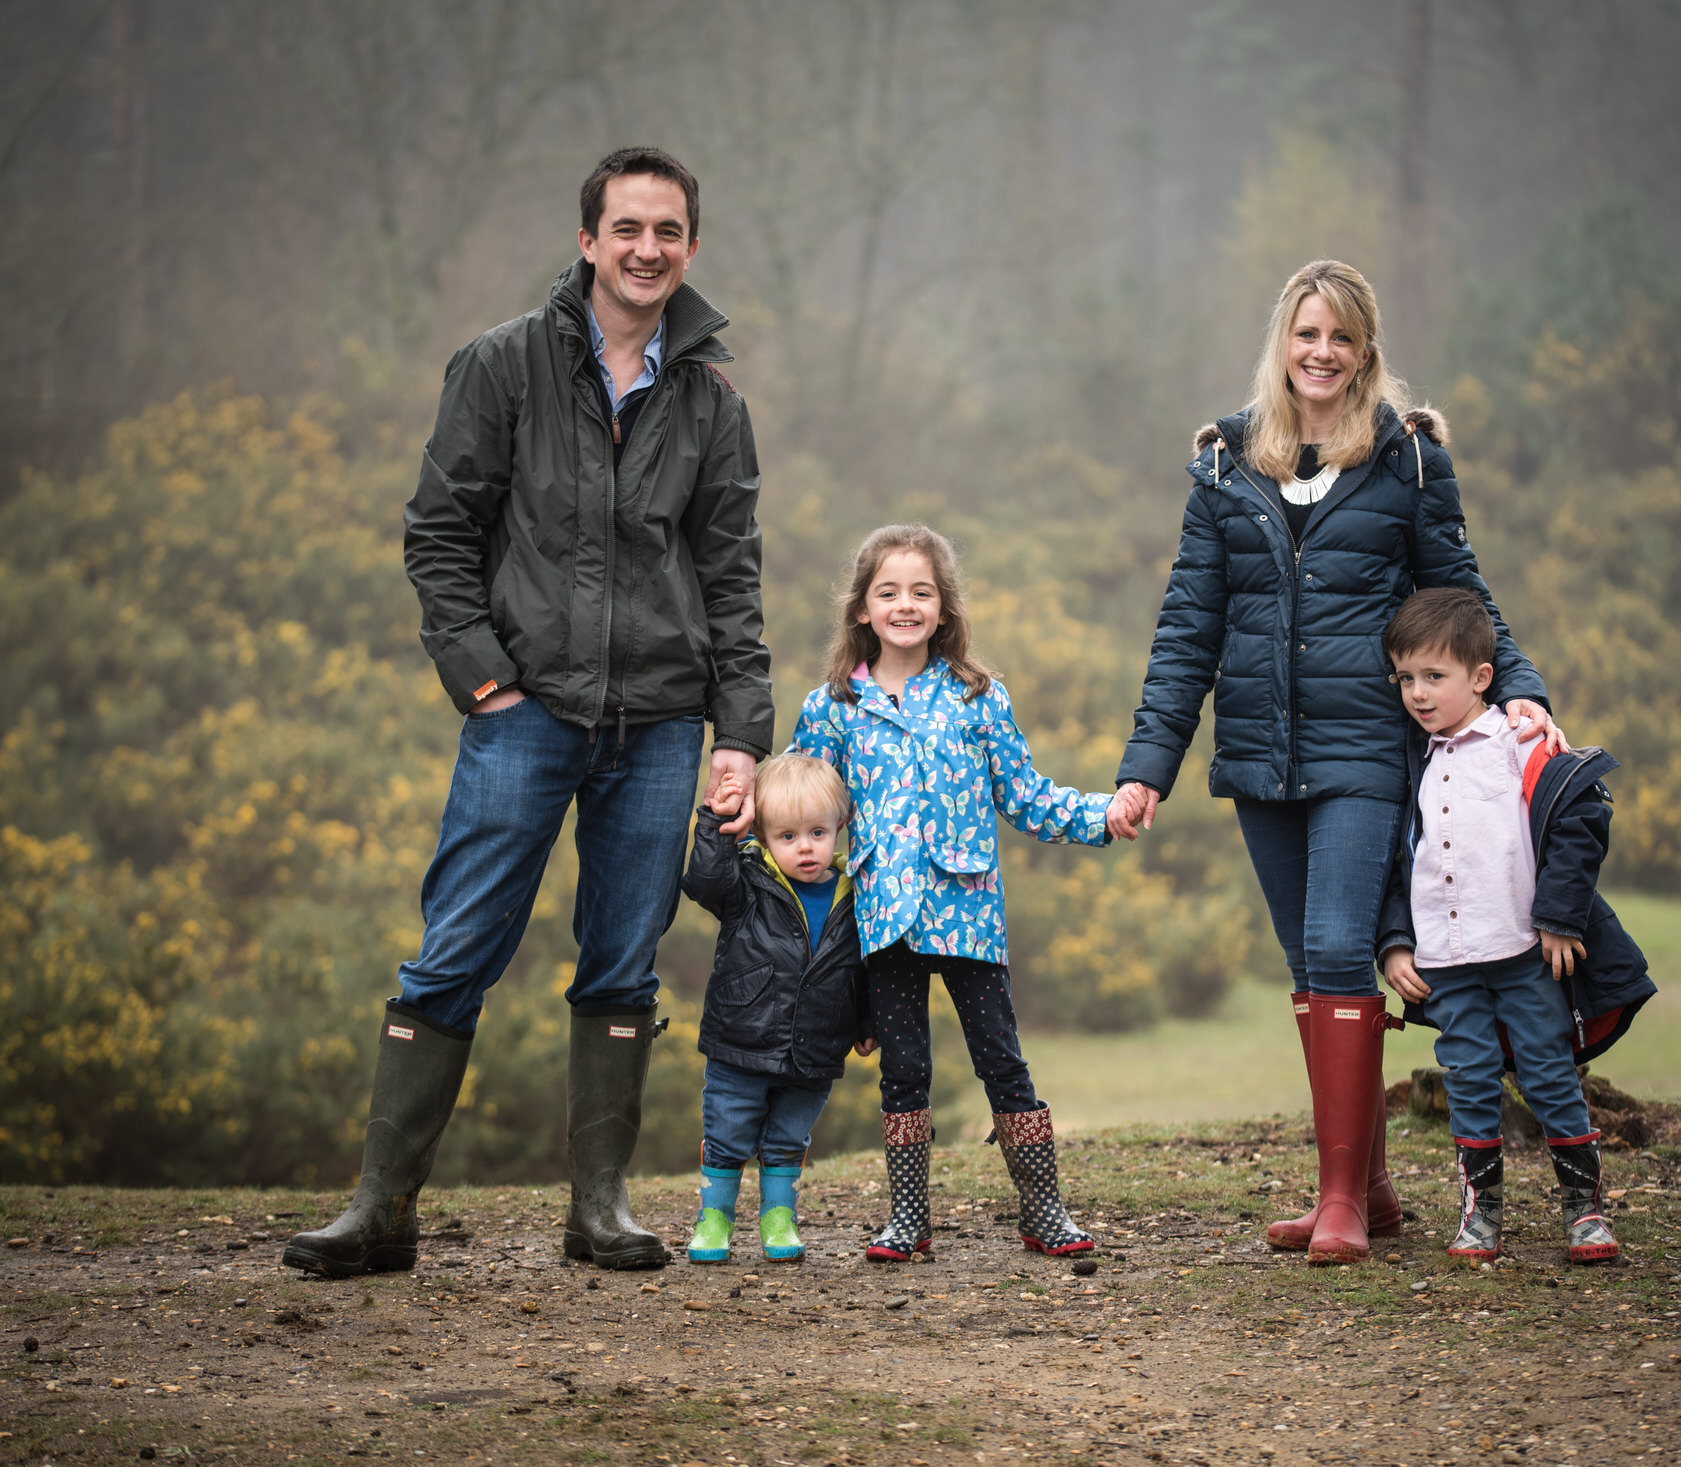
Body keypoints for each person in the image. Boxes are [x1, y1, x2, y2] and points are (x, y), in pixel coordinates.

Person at [284, 147, 772, 1278]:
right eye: (626, 228)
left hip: (658, 724)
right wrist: (486, 682)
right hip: (525, 715)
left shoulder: (710, 402)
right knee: (453, 951)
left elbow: (731, 579)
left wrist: (738, 736)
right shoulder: (499, 367)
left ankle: (597, 1213)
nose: (647, 249)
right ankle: (381, 1211)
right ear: (590, 240)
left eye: (668, 231)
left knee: (622, 965)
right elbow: (439, 535)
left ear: (690, 247)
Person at [1106, 260, 1559, 1266]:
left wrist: (1516, 680)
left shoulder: (1404, 458)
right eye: (1305, 335)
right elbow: (1187, 626)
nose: (1320, 353)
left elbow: (1457, 584)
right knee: (1307, 965)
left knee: (1333, 948)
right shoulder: (1225, 459)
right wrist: (1148, 766)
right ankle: (1370, 1189)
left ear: (1365, 352)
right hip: (1260, 755)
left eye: (1340, 338)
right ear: (1283, 342)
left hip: (1364, 744)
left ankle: (1339, 1203)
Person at [790, 524, 1119, 1262]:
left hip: (968, 913)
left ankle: (1045, 1211)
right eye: (888, 592)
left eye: (921, 592)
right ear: (862, 609)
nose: (905, 605)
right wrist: (745, 808)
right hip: (886, 921)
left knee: (1002, 1059)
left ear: (943, 609)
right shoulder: (834, 705)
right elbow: (801, 800)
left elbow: (1028, 796)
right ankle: (909, 1218)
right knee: (904, 1069)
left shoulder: (978, 697)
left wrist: (1102, 814)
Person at [1376, 588, 1654, 1264]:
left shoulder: (1517, 739)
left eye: (1434, 677)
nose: (1417, 692)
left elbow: (1582, 819)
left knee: (1550, 1073)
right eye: (1406, 677)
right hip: (1445, 963)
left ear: (1480, 678)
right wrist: (1395, 942)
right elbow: (1392, 860)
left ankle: (1584, 1212)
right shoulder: (1408, 759)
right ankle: (1481, 1215)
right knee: (1467, 1079)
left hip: (1525, 953)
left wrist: (1559, 917)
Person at [677, 754, 872, 1264]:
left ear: (839, 828)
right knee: (727, 1132)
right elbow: (703, 882)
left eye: (816, 832)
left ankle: (778, 1218)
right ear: (762, 836)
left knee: (788, 1137)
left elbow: (865, 966)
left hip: (817, 1045)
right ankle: (714, 1219)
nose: (805, 847)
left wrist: (868, 1021)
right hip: (741, 1038)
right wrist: (717, 819)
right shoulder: (745, 882)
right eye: (787, 836)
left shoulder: (856, 894)